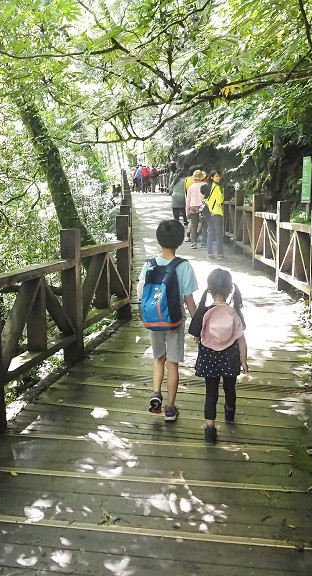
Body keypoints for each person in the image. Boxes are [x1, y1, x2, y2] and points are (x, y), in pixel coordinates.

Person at [137, 220, 198, 421]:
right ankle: (170, 408)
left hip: (154, 319)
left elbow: (140, 291)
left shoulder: (149, 265)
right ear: (180, 241)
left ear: (158, 239)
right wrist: (197, 326)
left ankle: (156, 392)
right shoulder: (184, 266)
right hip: (174, 320)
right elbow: (189, 300)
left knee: (158, 359)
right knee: (173, 364)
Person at [189, 268, 249, 445]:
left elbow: (196, 334)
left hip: (209, 358)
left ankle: (210, 430)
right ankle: (229, 413)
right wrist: (243, 361)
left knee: (211, 393)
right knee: (230, 388)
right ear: (230, 289)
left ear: (209, 289)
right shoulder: (234, 312)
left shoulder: (204, 312)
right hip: (230, 357)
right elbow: (242, 340)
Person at [205, 170, 225, 260]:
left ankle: (210, 253)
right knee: (218, 233)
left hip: (209, 212)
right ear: (212, 177)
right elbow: (220, 200)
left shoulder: (209, 187)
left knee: (210, 233)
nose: (218, 178)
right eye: (216, 176)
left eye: (219, 176)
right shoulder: (216, 187)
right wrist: (222, 195)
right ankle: (220, 254)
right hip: (216, 212)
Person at [185, 169, 206, 249]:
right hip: (203, 206)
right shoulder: (205, 185)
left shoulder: (191, 187)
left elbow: (188, 200)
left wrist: (187, 211)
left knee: (194, 225)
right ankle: (204, 241)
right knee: (204, 224)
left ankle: (194, 242)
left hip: (193, 207)